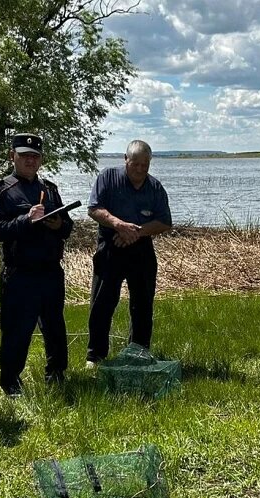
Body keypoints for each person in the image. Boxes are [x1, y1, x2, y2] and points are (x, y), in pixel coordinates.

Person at [0, 133, 74, 394]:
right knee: (17, 331)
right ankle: (11, 382)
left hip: (51, 271)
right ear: (12, 156)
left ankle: (56, 374)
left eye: (35, 156)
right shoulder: (0, 190)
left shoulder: (50, 189)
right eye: (24, 156)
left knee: (55, 328)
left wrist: (58, 224)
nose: (30, 161)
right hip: (20, 272)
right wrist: (26, 220)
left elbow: (68, 227)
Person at [85, 140, 172, 366]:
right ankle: (95, 356)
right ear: (126, 160)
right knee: (102, 303)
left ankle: (138, 353)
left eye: (145, 165)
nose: (140, 169)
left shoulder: (155, 187)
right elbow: (94, 208)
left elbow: (165, 222)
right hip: (110, 245)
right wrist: (119, 225)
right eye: (135, 164)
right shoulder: (108, 177)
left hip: (141, 248)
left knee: (142, 305)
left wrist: (135, 232)